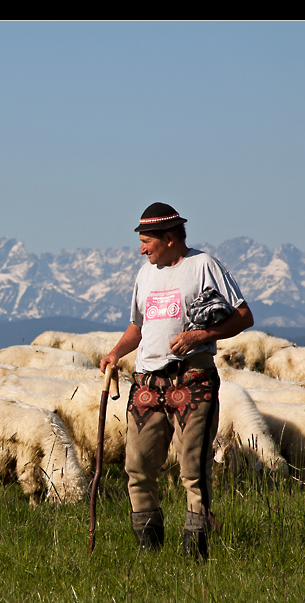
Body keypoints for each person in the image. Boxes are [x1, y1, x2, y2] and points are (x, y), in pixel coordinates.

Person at [98, 202, 254, 561]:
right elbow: (138, 327)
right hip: (147, 381)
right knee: (137, 467)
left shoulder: (203, 267)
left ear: (169, 238)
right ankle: (148, 553)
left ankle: (194, 553)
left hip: (192, 377)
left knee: (193, 468)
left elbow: (243, 316)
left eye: (146, 241)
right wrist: (116, 352)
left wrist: (201, 336)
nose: (141, 248)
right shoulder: (145, 275)